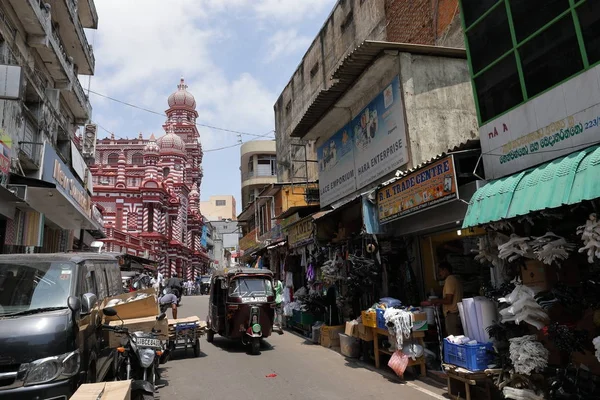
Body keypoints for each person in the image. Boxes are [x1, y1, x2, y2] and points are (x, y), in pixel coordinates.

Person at [421, 261, 463, 336]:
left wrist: (435, 300)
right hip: (456, 314)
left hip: (452, 315)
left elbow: (448, 300)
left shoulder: (449, 279)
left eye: (440, 271)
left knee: (454, 339)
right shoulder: (455, 279)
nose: (439, 274)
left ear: (446, 270)